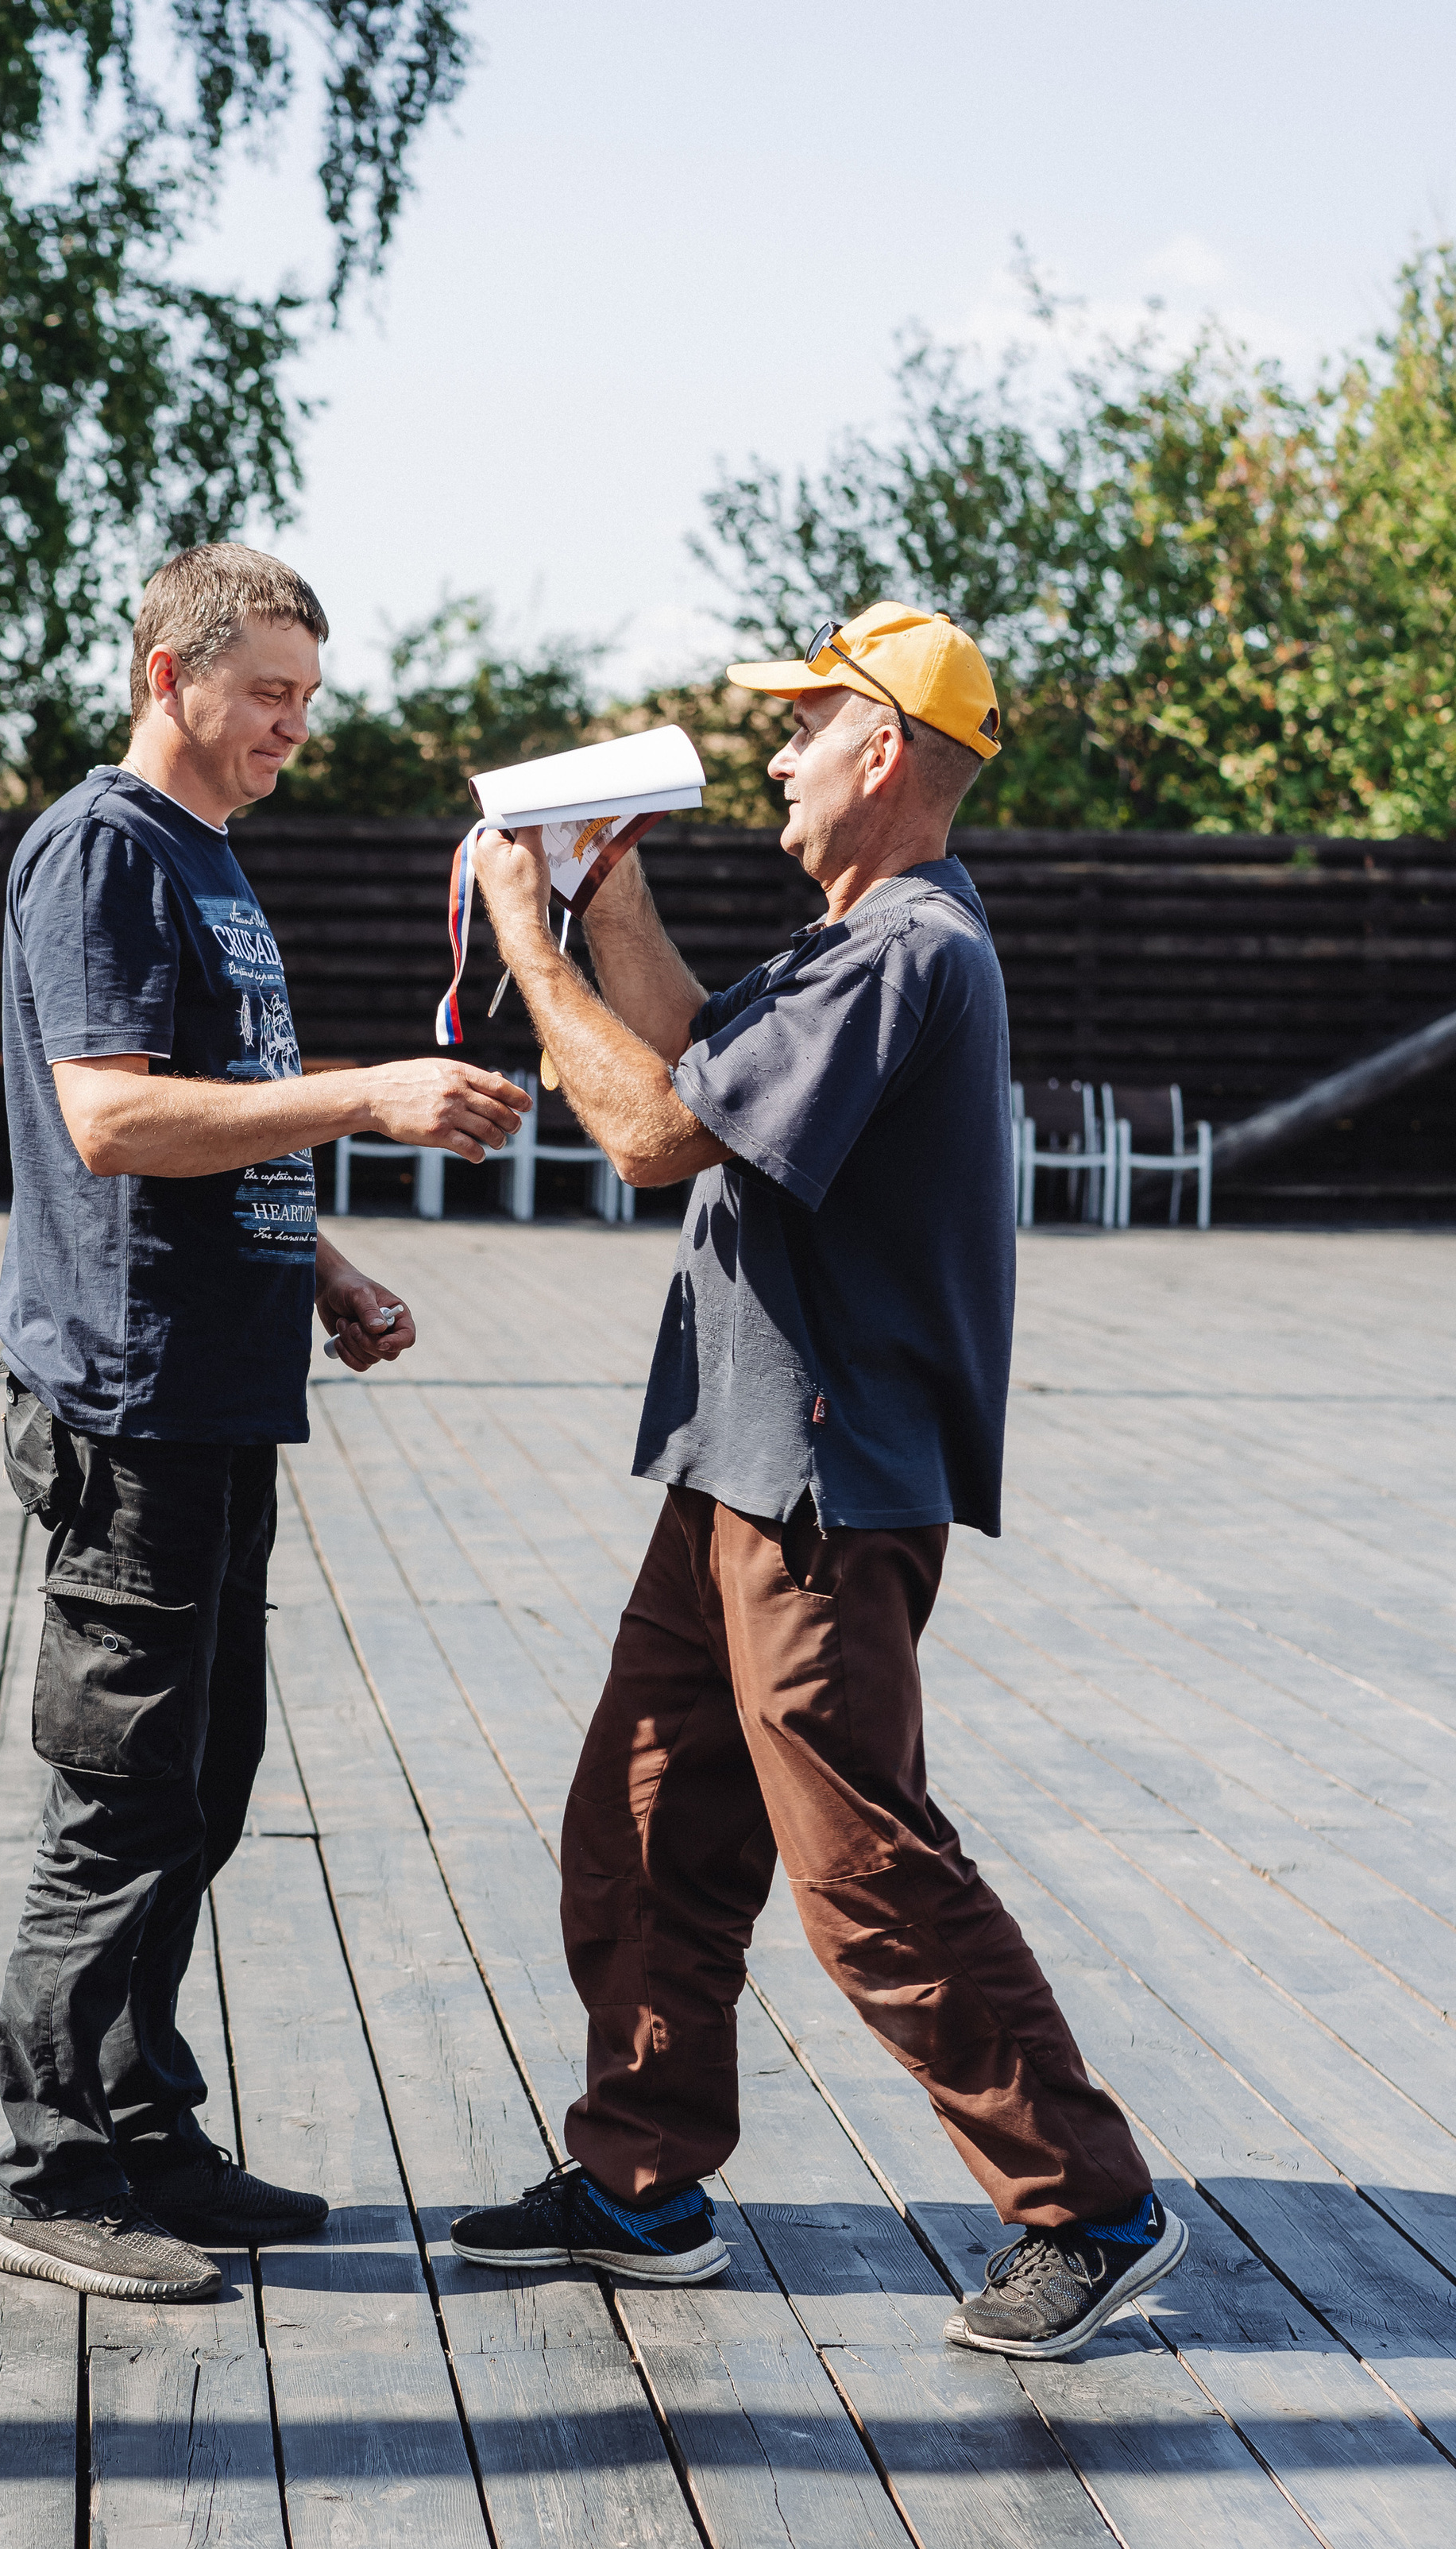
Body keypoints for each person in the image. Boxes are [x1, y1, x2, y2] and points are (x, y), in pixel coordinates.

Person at [450, 604, 1187, 2361]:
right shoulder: (845, 943)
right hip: (734, 1464)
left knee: (862, 1868)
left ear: (880, 755)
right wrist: (606, 898)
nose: (772, 759)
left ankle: (1086, 2206)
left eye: (800, 733)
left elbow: (641, 1135)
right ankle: (639, 2185)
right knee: (640, 1821)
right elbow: (702, 1054)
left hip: (823, 1489)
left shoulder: (904, 951)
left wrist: (517, 938)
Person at [0, 542, 528, 2305]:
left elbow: (212, 1123)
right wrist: (369, 1092)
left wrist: (320, 1267)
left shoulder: (208, 861)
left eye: (308, 695)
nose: (296, 726)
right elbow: (112, 1126)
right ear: (169, 675)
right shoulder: (104, 850)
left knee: (199, 1794)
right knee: (119, 1801)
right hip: (129, 1406)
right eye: (268, 694)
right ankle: (54, 2168)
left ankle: (143, 2132)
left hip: (226, 1388)